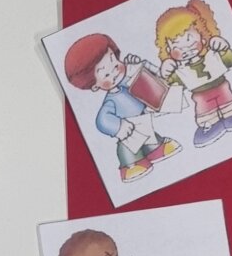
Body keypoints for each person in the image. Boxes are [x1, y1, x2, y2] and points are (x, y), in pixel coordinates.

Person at [62, 33, 178, 184]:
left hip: (144, 123)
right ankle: (131, 164)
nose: (115, 72)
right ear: (95, 86)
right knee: (129, 149)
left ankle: (156, 149)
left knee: (151, 137)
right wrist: (119, 127)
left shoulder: (128, 82)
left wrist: (139, 67)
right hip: (128, 134)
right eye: (106, 74)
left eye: (115, 63)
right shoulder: (111, 101)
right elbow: (102, 120)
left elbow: (147, 84)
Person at [156, 0, 232, 146]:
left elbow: (230, 60)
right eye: (176, 45)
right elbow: (174, 84)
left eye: (189, 39)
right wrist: (166, 73)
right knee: (206, 114)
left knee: (229, 105)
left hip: (222, 89)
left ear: (202, 36)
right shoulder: (182, 70)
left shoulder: (212, 55)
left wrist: (223, 49)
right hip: (201, 97)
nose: (185, 48)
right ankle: (208, 125)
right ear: (168, 50)